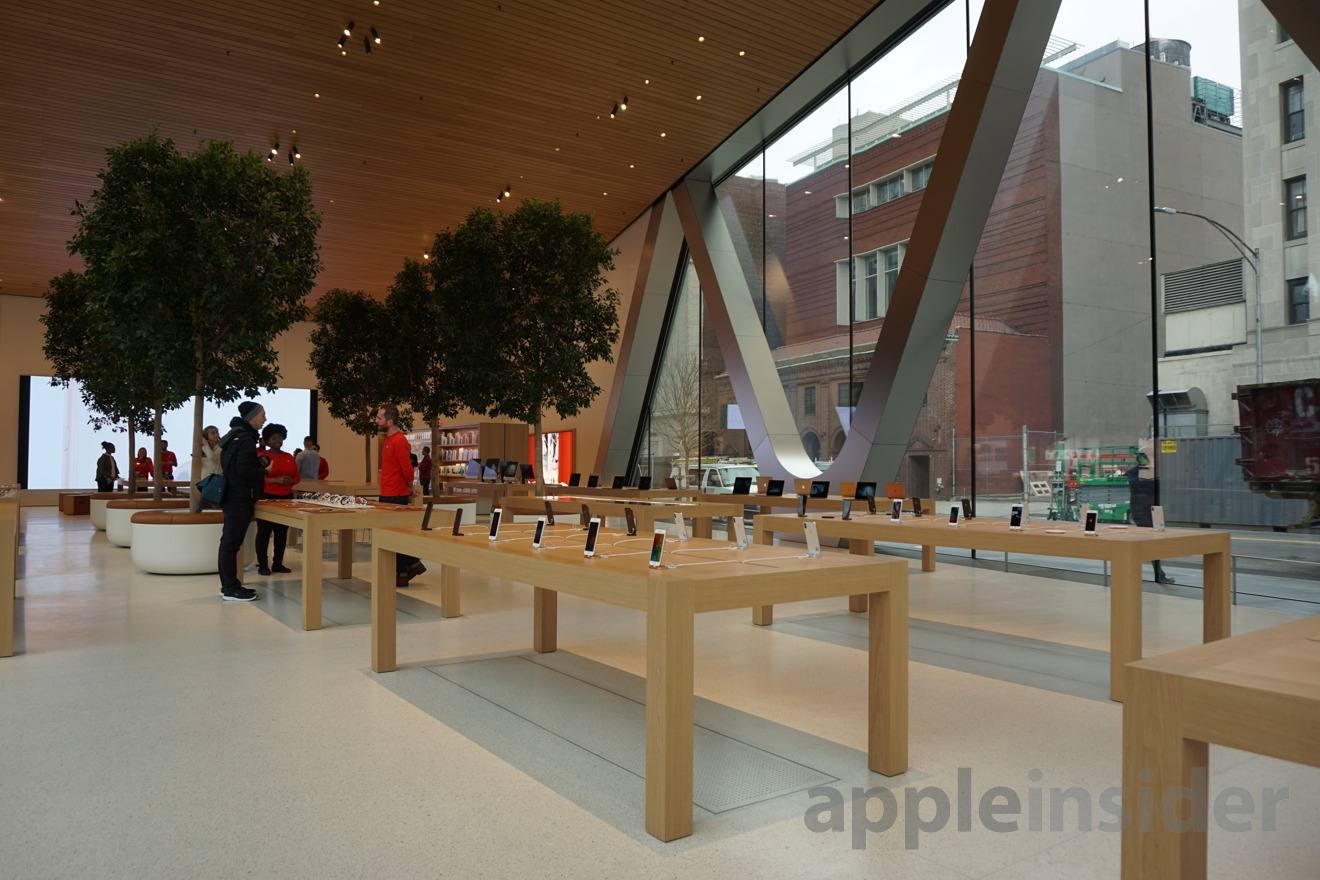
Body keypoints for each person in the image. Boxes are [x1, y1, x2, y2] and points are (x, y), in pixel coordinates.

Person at [217, 401, 269, 602]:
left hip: (231, 495)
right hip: (239, 498)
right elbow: (242, 471)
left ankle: (229, 586)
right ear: (252, 417)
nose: (265, 419)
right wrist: (264, 471)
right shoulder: (246, 438)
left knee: (228, 543)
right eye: (262, 415)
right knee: (230, 544)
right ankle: (230, 588)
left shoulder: (233, 436)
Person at [377, 404, 425, 587]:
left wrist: (409, 486)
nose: (376, 420)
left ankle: (404, 571)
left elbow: (407, 469)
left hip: (395, 495)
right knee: (392, 534)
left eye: (379, 418)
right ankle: (412, 565)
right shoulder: (389, 440)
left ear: (390, 421)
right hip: (389, 493)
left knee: (395, 535)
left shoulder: (398, 441)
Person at [254, 423, 300, 576]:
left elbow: (297, 477)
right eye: (273, 438)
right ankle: (262, 564)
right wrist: (275, 481)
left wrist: (290, 481)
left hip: (286, 498)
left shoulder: (288, 457)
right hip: (266, 497)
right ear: (266, 440)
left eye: (280, 438)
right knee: (264, 532)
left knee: (281, 532)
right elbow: (256, 478)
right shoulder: (262, 457)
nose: (277, 441)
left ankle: (278, 563)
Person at [1126, 445, 1175, 585]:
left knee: (1153, 542)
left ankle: (1158, 573)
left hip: (1154, 511)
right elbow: (1139, 487)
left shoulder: (1154, 472)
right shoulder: (1133, 473)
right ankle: (1159, 574)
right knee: (1149, 543)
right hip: (1141, 512)